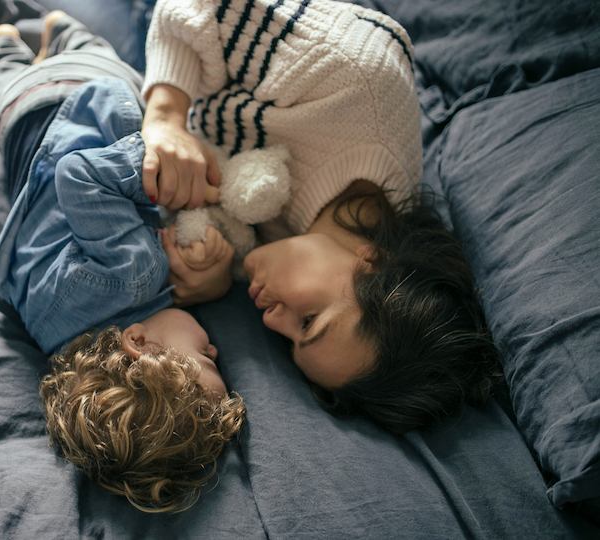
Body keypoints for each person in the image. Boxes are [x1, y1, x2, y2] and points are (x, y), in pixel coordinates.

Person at [140, 0, 502, 433]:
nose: (272, 319)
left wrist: (219, 277)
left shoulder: (311, 244)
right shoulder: (351, 75)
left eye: (290, 341)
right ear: (374, 262)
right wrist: (165, 117)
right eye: (309, 322)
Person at [0, 12, 245, 512]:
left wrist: (159, 171)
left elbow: (78, 175)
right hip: (14, 121)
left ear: (139, 342)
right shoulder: (60, 347)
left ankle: (58, 28)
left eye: (208, 359)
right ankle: (3, 44)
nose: (214, 345)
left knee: (94, 51)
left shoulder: (134, 274)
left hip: (70, 98)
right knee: (7, 65)